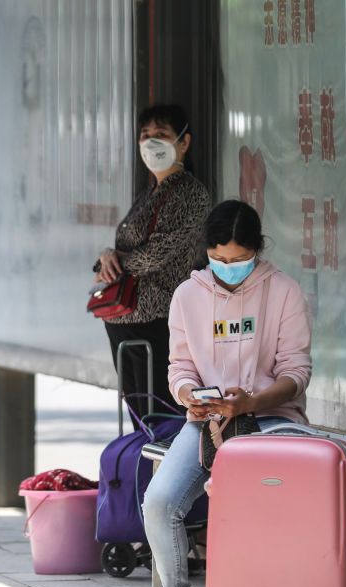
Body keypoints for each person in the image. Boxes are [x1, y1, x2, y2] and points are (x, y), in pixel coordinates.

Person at [142, 200, 312, 587]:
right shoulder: (188, 295)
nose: (227, 268)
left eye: (238, 261)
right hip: (207, 423)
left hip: (272, 421)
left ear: (257, 250)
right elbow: (179, 369)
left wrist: (253, 402)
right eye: (218, 259)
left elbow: (296, 373)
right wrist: (188, 399)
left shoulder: (283, 291)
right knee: (159, 502)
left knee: (246, 499)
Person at [94, 104, 211, 418]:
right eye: (145, 135)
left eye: (161, 135)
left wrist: (116, 260)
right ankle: (145, 468)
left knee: (161, 413)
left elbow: (157, 252)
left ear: (183, 143)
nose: (151, 142)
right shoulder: (150, 192)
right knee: (139, 416)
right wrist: (107, 258)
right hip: (125, 319)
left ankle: (166, 468)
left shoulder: (188, 193)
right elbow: (128, 249)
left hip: (158, 320)